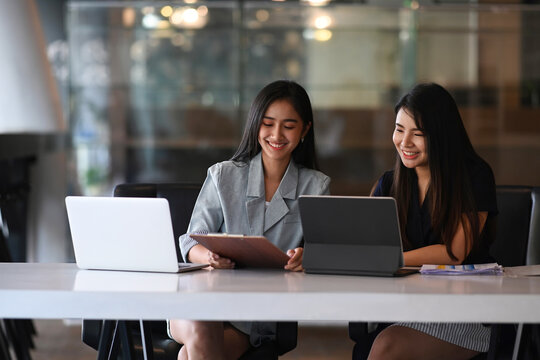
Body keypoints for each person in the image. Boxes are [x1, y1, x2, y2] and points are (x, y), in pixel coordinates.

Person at [169, 80, 331, 360]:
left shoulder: (316, 186)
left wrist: (306, 256)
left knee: (189, 355)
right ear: (255, 124)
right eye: (268, 124)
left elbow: (325, 250)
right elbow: (189, 241)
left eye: (289, 126)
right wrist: (209, 256)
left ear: (305, 129)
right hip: (202, 299)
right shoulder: (223, 175)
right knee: (201, 324)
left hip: (255, 315)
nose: (276, 134)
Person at [366, 83, 498, 359]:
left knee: (386, 347)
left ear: (441, 136)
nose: (405, 142)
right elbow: (367, 245)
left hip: (463, 309)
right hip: (404, 303)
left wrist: (390, 259)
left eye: (418, 134)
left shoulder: (474, 177)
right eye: (399, 129)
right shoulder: (389, 183)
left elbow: (453, 253)